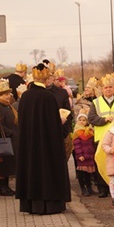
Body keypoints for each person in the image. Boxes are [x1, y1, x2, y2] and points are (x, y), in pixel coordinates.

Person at [15, 62, 71, 214]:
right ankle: (50, 204)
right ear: (46, 80)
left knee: (31, 169)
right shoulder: (48, 97)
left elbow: (21, 121)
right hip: (47, 144)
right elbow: (53, 124)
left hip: (29, 143)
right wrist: (61, 121)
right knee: (47, 170)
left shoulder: (25, 97)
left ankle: (31, 205)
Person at [88, 74, 114, 197]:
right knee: (101, 162)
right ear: (102, 89)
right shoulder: (96, 102)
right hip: (102, 137)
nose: (108, 89)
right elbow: (91, 118)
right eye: (106, 88)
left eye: (110, 87)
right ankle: (102, 188)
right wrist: (104, 119)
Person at [0, 80, 18, 196]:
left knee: (9, 163)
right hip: (5, 139)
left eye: (8, 94)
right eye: (6, 94)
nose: (9, 96)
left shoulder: (8, 106)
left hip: (12, 138)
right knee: (4, 164)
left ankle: (6, 186)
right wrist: (10, 133)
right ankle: (3, 187)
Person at [73, 112, 97, 196]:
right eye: (80, 120)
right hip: (82, 156)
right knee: (81, 173)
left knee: (88, 173)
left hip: (89, 155)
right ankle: (83, 189)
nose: (82, 122)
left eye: (84, 120)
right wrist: (79, 155)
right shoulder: (77, 132)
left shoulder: (90, 131)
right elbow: (77, 145)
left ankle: (89, 188)